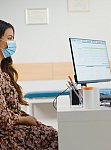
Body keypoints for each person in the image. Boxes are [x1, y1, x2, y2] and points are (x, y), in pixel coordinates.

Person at [0, 20, 58, 149]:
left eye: (13, 39)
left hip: (12, 127)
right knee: (54, 137)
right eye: (9, 38)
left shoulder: (3, 72)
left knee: (53, 133)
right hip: (5, 134)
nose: (12, 43)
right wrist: (25, 120)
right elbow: (3, 118)